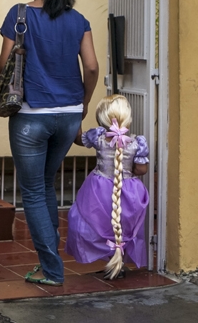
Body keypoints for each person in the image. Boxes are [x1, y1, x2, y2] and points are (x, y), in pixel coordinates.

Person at [0, 0, 99, 287]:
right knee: (46, 184)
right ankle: (50, 261)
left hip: (31, 117)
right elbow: (93, 66)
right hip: (68, 116)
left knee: (34, 192)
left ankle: (52, 270)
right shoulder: (79, 20)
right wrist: (82, 105)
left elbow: (3, 64)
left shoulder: (20, 14)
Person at [65, 94, 149, 279]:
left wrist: (78, 113)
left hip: (98, 190)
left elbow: (78, 139)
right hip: (129, 191)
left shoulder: (98, 137)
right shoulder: (137, 142)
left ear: (102, 118)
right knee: (124, 226)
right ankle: (119, 261)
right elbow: (142, 169)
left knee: (92, 222)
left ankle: (107, 258)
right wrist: (128, 169)